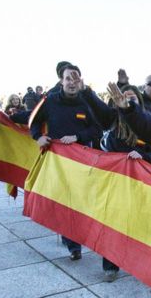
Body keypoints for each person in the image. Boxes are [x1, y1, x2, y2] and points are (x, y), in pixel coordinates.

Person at [30, 64, 102, 262]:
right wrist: (37, 136)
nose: (72, 82)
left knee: (80, 201)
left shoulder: (86, 102)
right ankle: (73, 245)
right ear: (61, 81)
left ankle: (76, 237)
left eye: (75, 78)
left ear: (80, 81)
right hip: (58, 162)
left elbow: (97, 130)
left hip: (81, 162)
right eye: (68, 78)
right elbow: (33, 120)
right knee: (64, 202)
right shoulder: (50, 101)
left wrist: (78, 136)